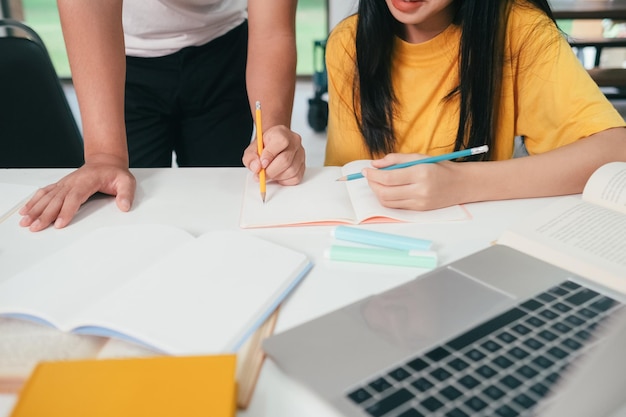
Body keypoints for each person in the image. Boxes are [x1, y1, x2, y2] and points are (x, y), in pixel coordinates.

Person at [19, 0, 305, 232]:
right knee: (126, 214)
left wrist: (273, 136)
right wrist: (104, 155)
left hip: (223, 48)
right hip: (119, 58)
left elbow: (272, 32)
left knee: (224, 210)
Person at [325, 0, 626, 211]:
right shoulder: (349, 41)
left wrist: (462, 183)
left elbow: (616, 149)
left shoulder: (519, 29)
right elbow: (341, 181)